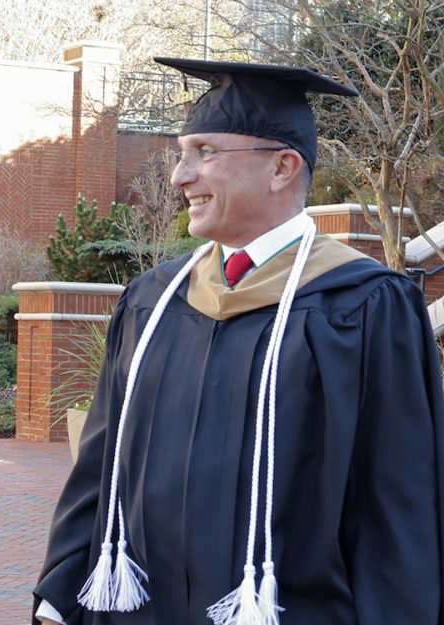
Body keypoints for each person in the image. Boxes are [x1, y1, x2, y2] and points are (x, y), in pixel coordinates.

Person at [34, 57, 444, 625]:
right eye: (182, 154)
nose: (180, 176)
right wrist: (60, 593)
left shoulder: (364, 304)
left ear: (282, 167)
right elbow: (100, 465)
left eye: (204, 152)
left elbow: (397, 502)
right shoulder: (153, 300)